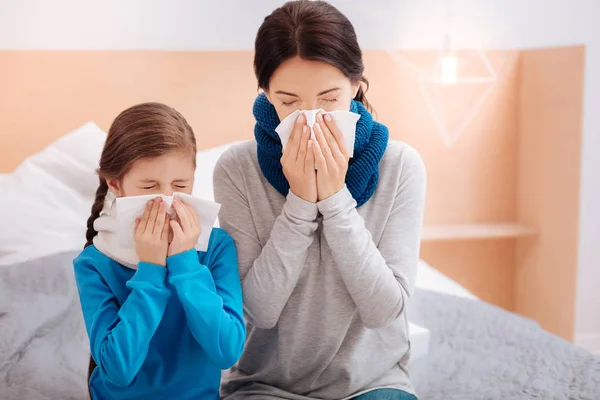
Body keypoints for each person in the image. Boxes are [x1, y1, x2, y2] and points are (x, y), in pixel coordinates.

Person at [214, 1, 426, 399]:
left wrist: (333, 197)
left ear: (356, 86)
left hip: (373, 383)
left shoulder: (400, 166)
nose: (310, 117)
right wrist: (299, 202)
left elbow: (383, 311)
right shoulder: (237, 169)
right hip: (264, 386)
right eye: (289, 102)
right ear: (265, 94)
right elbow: (258, 312)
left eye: (329, 98)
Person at [74, 102, 245, 400]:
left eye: (180, 184)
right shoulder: (95, 262)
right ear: (115, 184)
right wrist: (151, 270)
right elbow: (118, 369)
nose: (167, 201)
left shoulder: (216, 247)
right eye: (149, 187)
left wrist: (186, 264)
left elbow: (226, 353)